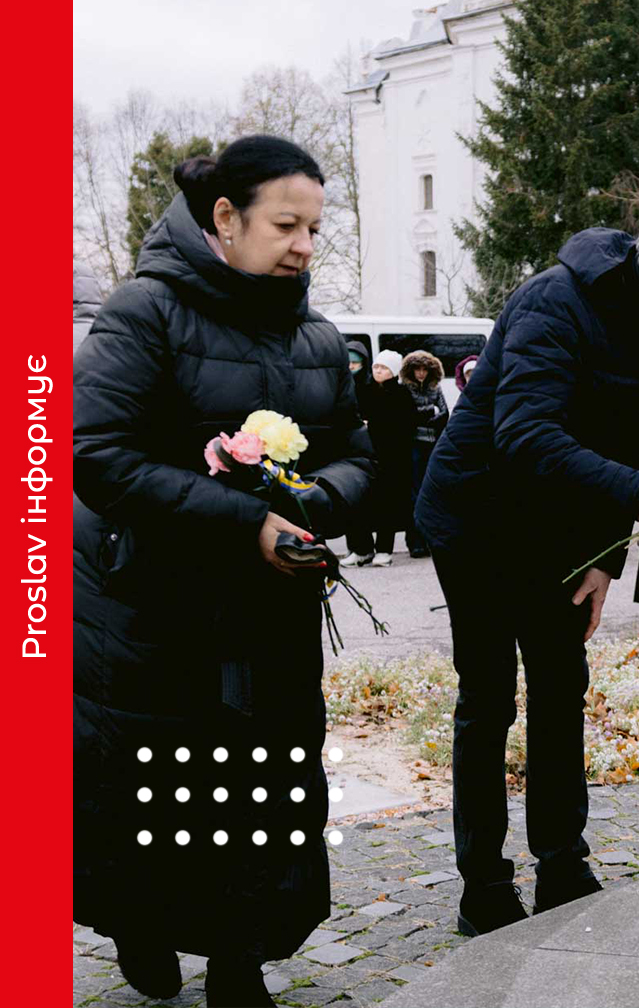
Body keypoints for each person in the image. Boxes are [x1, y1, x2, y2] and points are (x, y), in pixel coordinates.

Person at [73, 135, 373, 1008]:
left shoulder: (317, 336)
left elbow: (361, 455)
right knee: (154, 790)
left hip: (269, 614)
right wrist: (248, 520)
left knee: (266, 787)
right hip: (151, 611)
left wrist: (311, 503)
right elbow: (98, 455)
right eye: (287, 225)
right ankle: (144, 926)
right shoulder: (144, 313)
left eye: (316, 229)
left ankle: (240, 957)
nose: (305, 247)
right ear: (226, 219)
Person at [413, 200, 639, 936]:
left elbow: (629, 438)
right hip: (479, 524)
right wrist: (638, 496)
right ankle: (483, 887)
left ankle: (563, 866)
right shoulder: (554, 303)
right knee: (489, 701)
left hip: (560, 537)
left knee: (560, 692)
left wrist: (607, 561)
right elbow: (524, 433)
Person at [345, 350, 415, 567]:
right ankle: (361, 549)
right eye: (376, 367)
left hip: (391, 459)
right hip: (364, 456)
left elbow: (405, 427)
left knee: (387, 504)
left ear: (393, 371)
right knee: (358, 502)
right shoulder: (364, 390)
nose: (378, 371)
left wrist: (374, 426)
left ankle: (384, 550)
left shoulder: (402, 395)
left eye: (384, 368)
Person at [398, 350, 449, 558]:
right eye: (417, 369)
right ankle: (415, 541)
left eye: (424, 369)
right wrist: (426, 414)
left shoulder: (435, 388)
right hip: (412, 445)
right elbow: (405, 417)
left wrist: (432, 417)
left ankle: (428, 539)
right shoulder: (405, 390)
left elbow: (445, 412)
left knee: (431, 492)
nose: (421, 373)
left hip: (431, 443)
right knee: (414, 493)